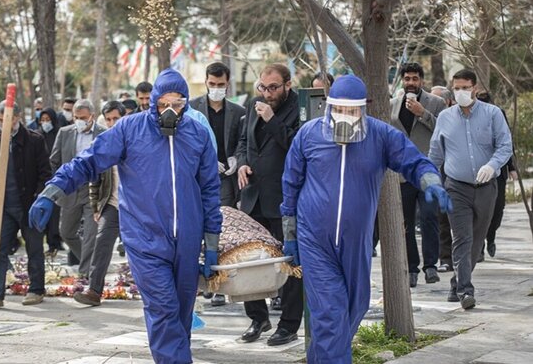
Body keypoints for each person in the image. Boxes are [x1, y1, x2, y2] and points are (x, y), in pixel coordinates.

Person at [29, 68, 221, 363]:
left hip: (188, 239)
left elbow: (209, 188)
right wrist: (52, 191)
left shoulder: (198, 135)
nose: (170, 110)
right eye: (163, 103)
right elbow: (88, 161)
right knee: (163, 309)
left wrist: (211, 239)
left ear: (186, 104)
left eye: (178, 103)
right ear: (153, 101)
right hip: (145, 239)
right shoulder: (129, 130)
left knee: (182, 312)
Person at [281, 75, 452, 363]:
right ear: (329, 106)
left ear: (363, 108)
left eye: (352, 110)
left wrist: (430, 181)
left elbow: (413, 159)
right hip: (315, 240)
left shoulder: (380, 136)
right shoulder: (309, 135)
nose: (345, 116)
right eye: (339, 109)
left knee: (354, 306)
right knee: (329, 313)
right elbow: (290, 182)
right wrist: (290, 233)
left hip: (357, 241)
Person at [429, 69, 513, 309]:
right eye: (457, 88)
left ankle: (457, 281)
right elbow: (435, 152)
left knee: (477, 241)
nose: (460, 92)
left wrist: (492, 165)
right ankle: (466, 290)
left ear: (475, 88)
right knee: (462, 238)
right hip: (456, 187)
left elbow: (505, 146)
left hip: (487, 187)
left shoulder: (492, 114)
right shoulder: (445, 117)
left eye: (465, 87)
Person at [236, 63, 303, 346]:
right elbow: (243, 141)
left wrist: (273, 119)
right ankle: (258, 317)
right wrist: (241, 164)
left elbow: (297, 146)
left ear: (288, 84)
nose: (267, 93)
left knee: (288, 265)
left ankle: (288, 325)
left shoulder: (299, 109)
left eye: (273, 87)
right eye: (262, 87)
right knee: (250, 262)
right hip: (254, 196)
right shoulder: (255, 103)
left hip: (283, 198)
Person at [0, 100, 51, 308]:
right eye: (0, 120)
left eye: (7, 120)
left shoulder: (34, 140)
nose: (3, 124)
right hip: (4, 207)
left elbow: (45, 174)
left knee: (34, 249)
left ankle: (36, 289)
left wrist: (39, 199)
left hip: (29, 205)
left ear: (18, 118)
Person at [190, 62, 246, 307]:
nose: (215, 88)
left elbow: (243, 142)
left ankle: (219, 281)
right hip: (198, 178)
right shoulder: (192, 109)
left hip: (225, 179)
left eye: (220, 85)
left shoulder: (238, 111)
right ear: (205, 82)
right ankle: (203, 280)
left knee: (219, 230)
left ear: (228, 84)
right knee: (198, 230)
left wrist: (237, 158)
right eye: (211, 84)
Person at [390, 63, 447, 287]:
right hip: (402, 174)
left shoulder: (436, 103)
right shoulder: (393, 105)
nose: (410, 82)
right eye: (407, 79)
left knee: (429, 218)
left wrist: (422, 114)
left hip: (427, 172)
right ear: (402, 81)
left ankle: (430, 266)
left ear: (421, 80)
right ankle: (411, 267)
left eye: (414, 78)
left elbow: (443, 132)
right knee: (405, 223)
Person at [73, 101, 125, 306]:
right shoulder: (103, 143)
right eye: (109, 119)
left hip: (137, 207)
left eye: (116, 118)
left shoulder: (137, 140)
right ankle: (94, 291)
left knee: (142, 250)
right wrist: (96, 206)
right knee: (101, 244)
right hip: (111, 204)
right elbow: (95, 178)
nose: (112, 123)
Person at [50, 99, 105, 276]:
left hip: (93, 191)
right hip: (70, 190)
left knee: (90, 236)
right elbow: (55, 160)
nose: (79, 121)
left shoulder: (103, 134)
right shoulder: (64, 133)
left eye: (83, 117)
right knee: (66, 232)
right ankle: (89, 262)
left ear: (92, 116)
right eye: (76, 117)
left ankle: (85, 274)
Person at [475, 90, 517, 260]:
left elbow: (506, 143)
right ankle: (479, 247)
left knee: (497, 209)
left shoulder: (498, 114)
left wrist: (512, 167)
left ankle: (490, 236)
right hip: (477, 170)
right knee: (479, 210)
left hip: (497, 172)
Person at [430, 85, 456, 272]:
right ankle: (445, 258)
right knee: (441, 217)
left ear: (446, 101)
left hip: (458, 174)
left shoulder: (454, 118)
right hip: (438, 172)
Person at [36, 107, 63, 255]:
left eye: (48, 120)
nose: (45, 123)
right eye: (43, 120)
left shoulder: (59, 134)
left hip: (56, 179)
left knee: (55, 213)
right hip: (41, 180)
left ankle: (55, 242)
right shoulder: (37, 136)